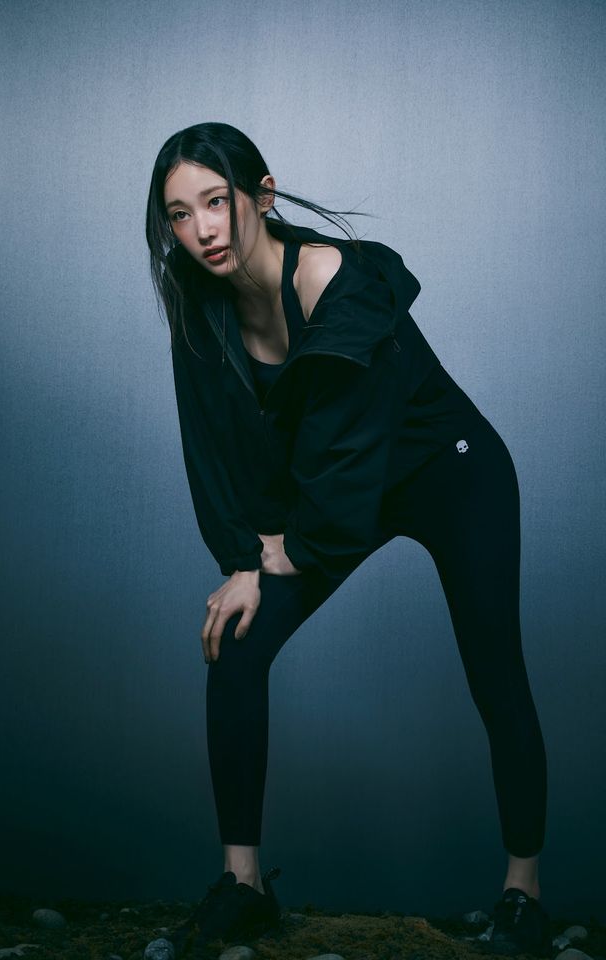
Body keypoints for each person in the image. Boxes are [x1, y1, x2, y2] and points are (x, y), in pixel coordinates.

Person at [145, 122, 552, 958]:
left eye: (217, 202)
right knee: (237, 641)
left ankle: (524, 893)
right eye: (180, 215)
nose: (203, 229)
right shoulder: (199, 304)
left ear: (261, 195)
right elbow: (213, 449)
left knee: (496, 673)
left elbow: (351, 445)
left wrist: (286, 549)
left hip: (447, 472)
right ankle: (243, 885)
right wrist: (241, 560)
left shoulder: (334, 278)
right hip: (331, 490)